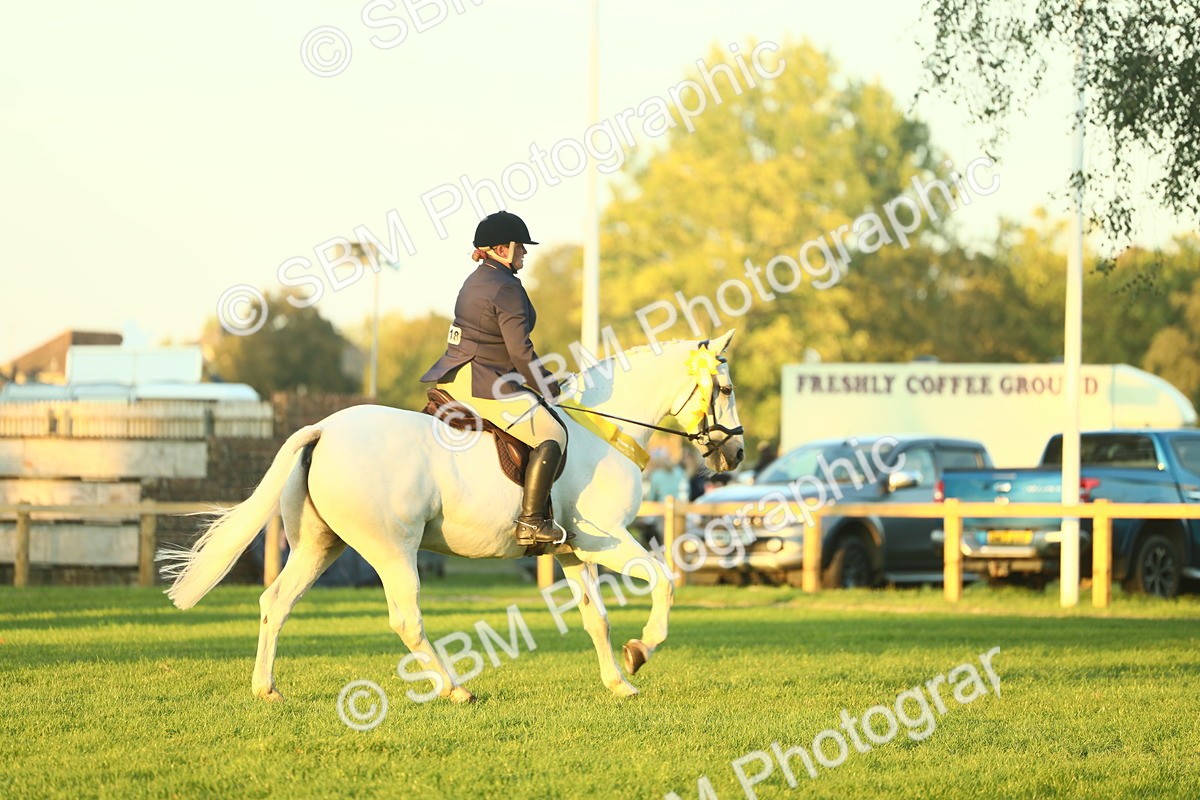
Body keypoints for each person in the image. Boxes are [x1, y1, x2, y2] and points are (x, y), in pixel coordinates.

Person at [420, 211, 570, 547]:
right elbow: (520, 351)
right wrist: (547, 385)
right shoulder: (506, 288)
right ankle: (531, 522)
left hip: (456, 376)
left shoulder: (477, 279)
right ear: (502, 249)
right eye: (520, 246)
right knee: (553, 434)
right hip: (485, 384)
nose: (525, 252)